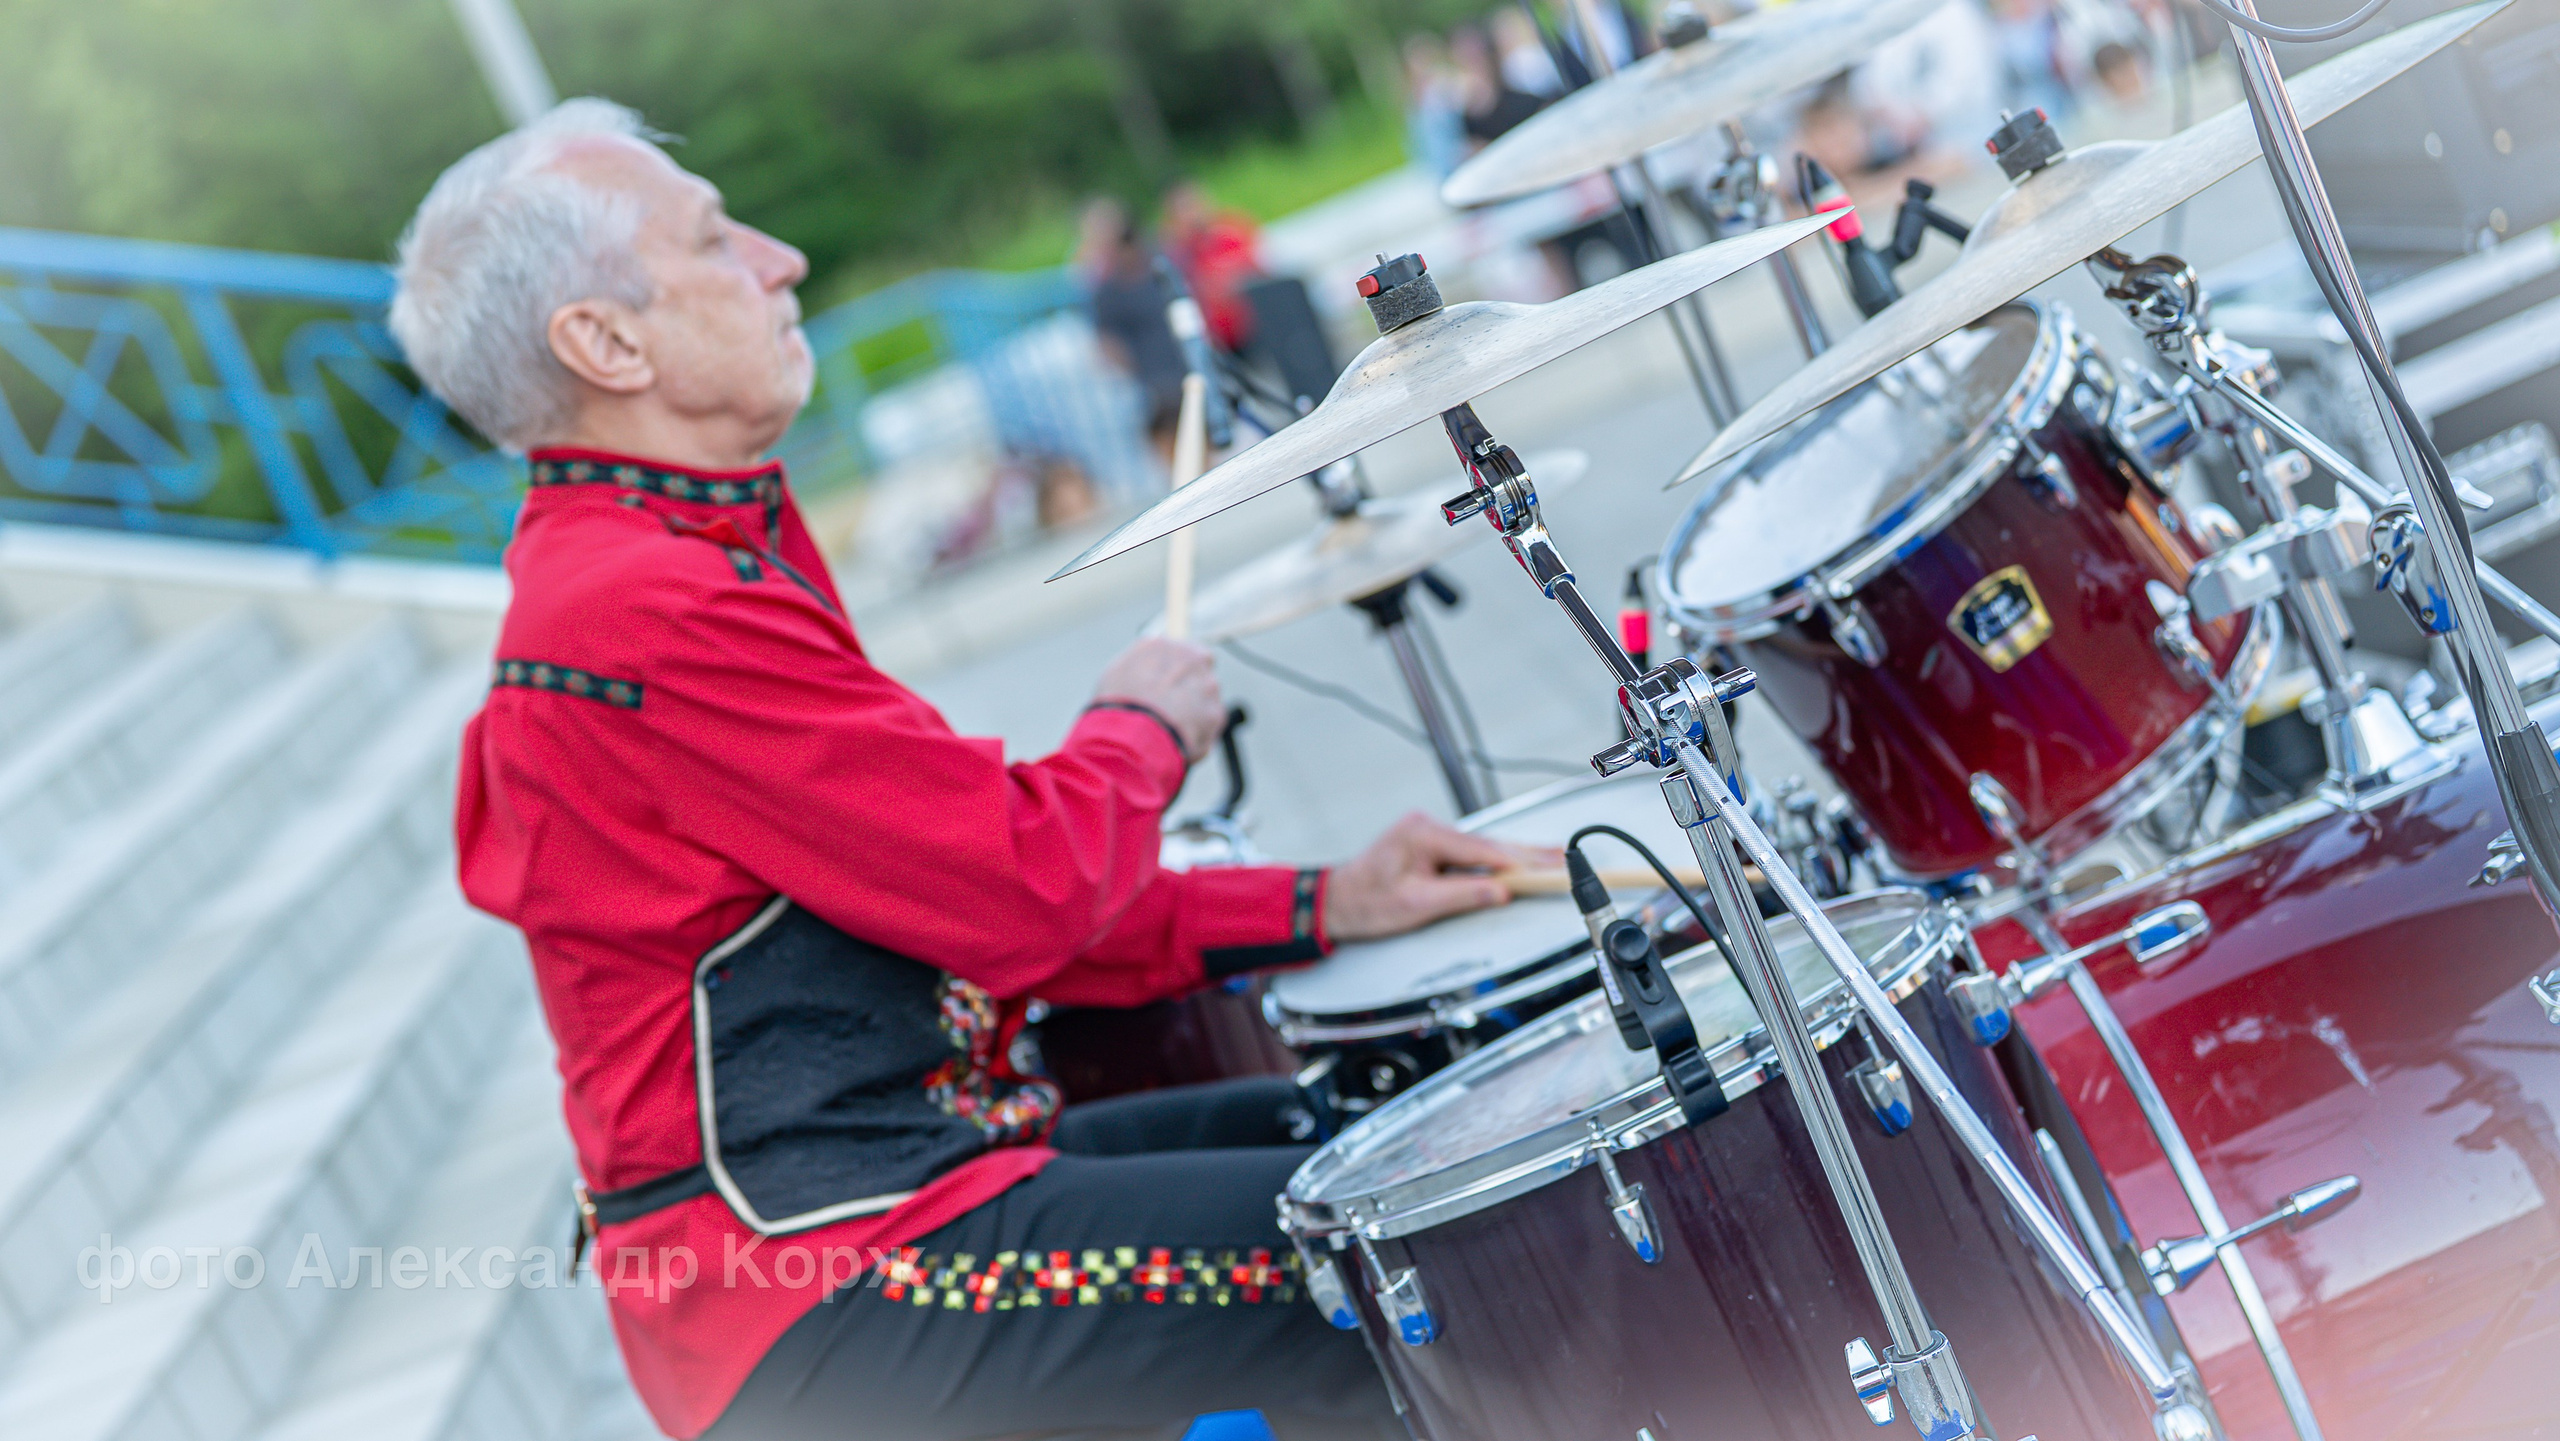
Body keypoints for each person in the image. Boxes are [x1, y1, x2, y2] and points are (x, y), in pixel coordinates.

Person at [390, 100, 1543, 1441]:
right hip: (825, 1290)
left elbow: (949, 891)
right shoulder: (640, 607)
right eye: (714, 239)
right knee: (1427, 1238)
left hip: (903, 1203)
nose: (781, 261)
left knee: (1404, 1123)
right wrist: (1141, 726)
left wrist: (1322, 903)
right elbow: (1025, 888)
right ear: (604, 340)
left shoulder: (673, 554)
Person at [1072, 196, 1188, 456]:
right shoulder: (1102, 287)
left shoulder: (1159, 262)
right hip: (1151, 384)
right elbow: (1107, 344)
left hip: (1180, 365)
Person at [1156, 180, 1261, 354]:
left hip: (1252, 324)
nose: (1191, 215)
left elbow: (1252, 269)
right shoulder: (1178, 252)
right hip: (1219, 341)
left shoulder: (1229, 230)